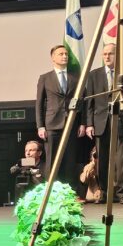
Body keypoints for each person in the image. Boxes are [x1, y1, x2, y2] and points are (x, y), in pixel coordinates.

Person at [36, 45, 85, 186]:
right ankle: (51, 191)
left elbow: (83, 101)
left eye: (66, 54)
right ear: (53, 58)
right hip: (52, 125)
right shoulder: (45, 78)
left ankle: (69, 191)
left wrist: (82, 123)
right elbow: (39, 103)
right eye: (61, 54)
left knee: (70, 160)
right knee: (52, 160)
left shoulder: (76, 78)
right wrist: (40, 126)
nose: (64, 56)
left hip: (71, 124)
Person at [86, 43, 123, 203]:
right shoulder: (94, 75)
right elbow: (89, 102)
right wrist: (89, 124)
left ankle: (121, 193)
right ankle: (103, 192)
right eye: (104, 54)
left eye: (111, 53)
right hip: (100, 122)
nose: (107, 56)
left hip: (120, 120)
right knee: (102, 159)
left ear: (117, 55)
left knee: (120, 160)